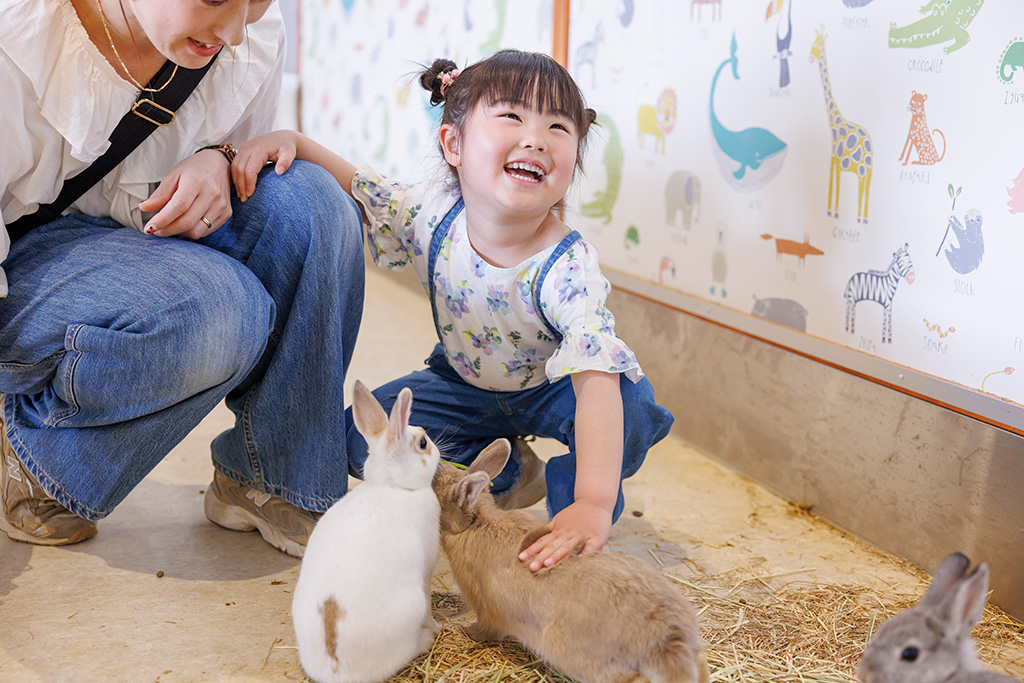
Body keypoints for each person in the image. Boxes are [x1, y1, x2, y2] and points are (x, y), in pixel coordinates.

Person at [230, 49, 674, 570]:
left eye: (558, 126)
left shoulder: (567, 264)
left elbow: (594, 372)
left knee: (629, 404)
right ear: (454, 144)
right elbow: (360, 186)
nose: (535, 138)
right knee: (365, 439)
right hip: (463, 385)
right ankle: (503, 475)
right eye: (511, 116)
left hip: (550, 390)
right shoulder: (430, 215)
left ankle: (570, 498)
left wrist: (593, 503)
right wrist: (297, 143)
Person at [0, 0, 365, 557]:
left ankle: (273, 478)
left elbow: (246, 144)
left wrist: (218, 157)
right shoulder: (18, 37)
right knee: (220, 310)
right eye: (217, 0)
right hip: (19, 265)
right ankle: (31, 460)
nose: (237, 31)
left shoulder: (250, 35)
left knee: (312, 203)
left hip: (126, 235)